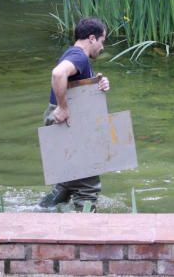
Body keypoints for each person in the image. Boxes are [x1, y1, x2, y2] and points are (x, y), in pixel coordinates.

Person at [38, 17, 111, 212]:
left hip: (65, 123)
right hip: (67, 123)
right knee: (88, 187)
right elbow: (58, 74)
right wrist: (63, 107)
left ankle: (38, 213)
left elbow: (72, 84)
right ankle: (87, 233)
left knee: (68, 182)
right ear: (92, 38)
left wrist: (97, 84)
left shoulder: (74, 54)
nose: (102, 47)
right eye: (103, 41)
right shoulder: (79, 56)